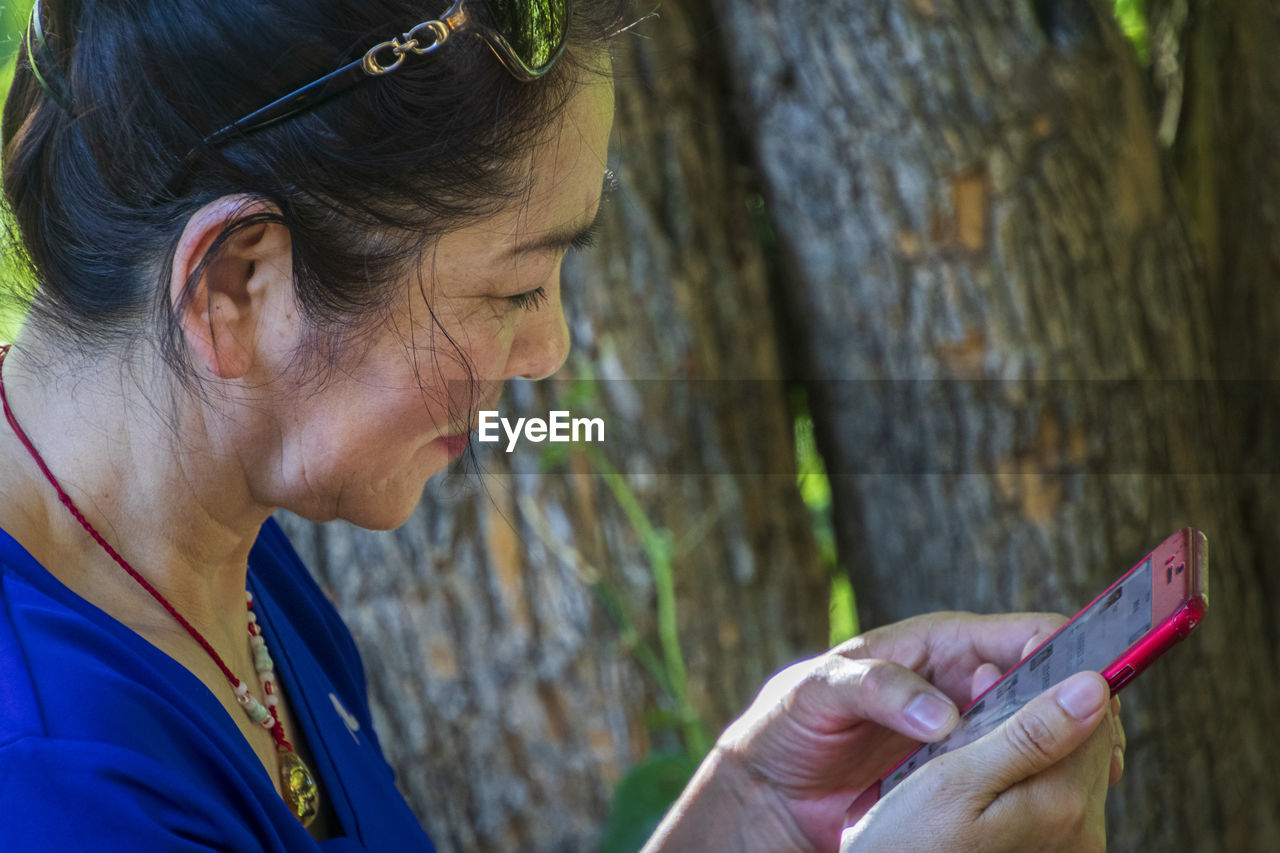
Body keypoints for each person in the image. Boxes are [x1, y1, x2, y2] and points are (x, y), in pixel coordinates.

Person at [0, 0, 1125, 850]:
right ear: (240, 285)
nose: (550, 351)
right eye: (512, 288)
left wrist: (741, 817)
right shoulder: (58, 786)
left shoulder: (201, 543)